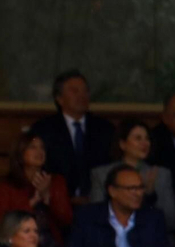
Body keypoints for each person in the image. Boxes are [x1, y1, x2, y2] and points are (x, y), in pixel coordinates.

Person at [28, 69, 115, 199]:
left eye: (85, 91)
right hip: (56, 201)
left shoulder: (104, 128)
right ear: (59, 98)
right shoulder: (43, 129)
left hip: (97, 201)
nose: (82, 96)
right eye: (75, 91)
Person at [90, 118, 175, 231]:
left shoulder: (161, 175)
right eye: (138, 138)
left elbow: (171, 222)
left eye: (147, 139)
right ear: (122, 144)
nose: (145, 143)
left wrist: (150, 195)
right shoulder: (101, 174)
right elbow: (94, 216)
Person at [0, 132, 74, 247]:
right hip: (17, 243)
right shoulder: (7, 184)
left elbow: (66, 219)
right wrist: (34, 200)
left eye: (42, 147)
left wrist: (47, 196)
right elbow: (2, 221)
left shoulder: (56, 181)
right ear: (20, 153)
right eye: (33, 147)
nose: (39, 151)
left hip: (51, 245)